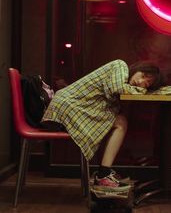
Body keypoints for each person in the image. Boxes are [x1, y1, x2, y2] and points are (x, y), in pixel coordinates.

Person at [41, 59, 162, 192]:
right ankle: (103, 174)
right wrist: (143, 91)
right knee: (121, 123)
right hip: (65, 110)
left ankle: (104, 172)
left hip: (72, 109)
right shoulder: (120, 66)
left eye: (147, 83)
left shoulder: (125, 78)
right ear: (137, 68)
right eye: (143, 76)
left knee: (120, 120)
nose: (141, 82)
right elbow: (119, 88)